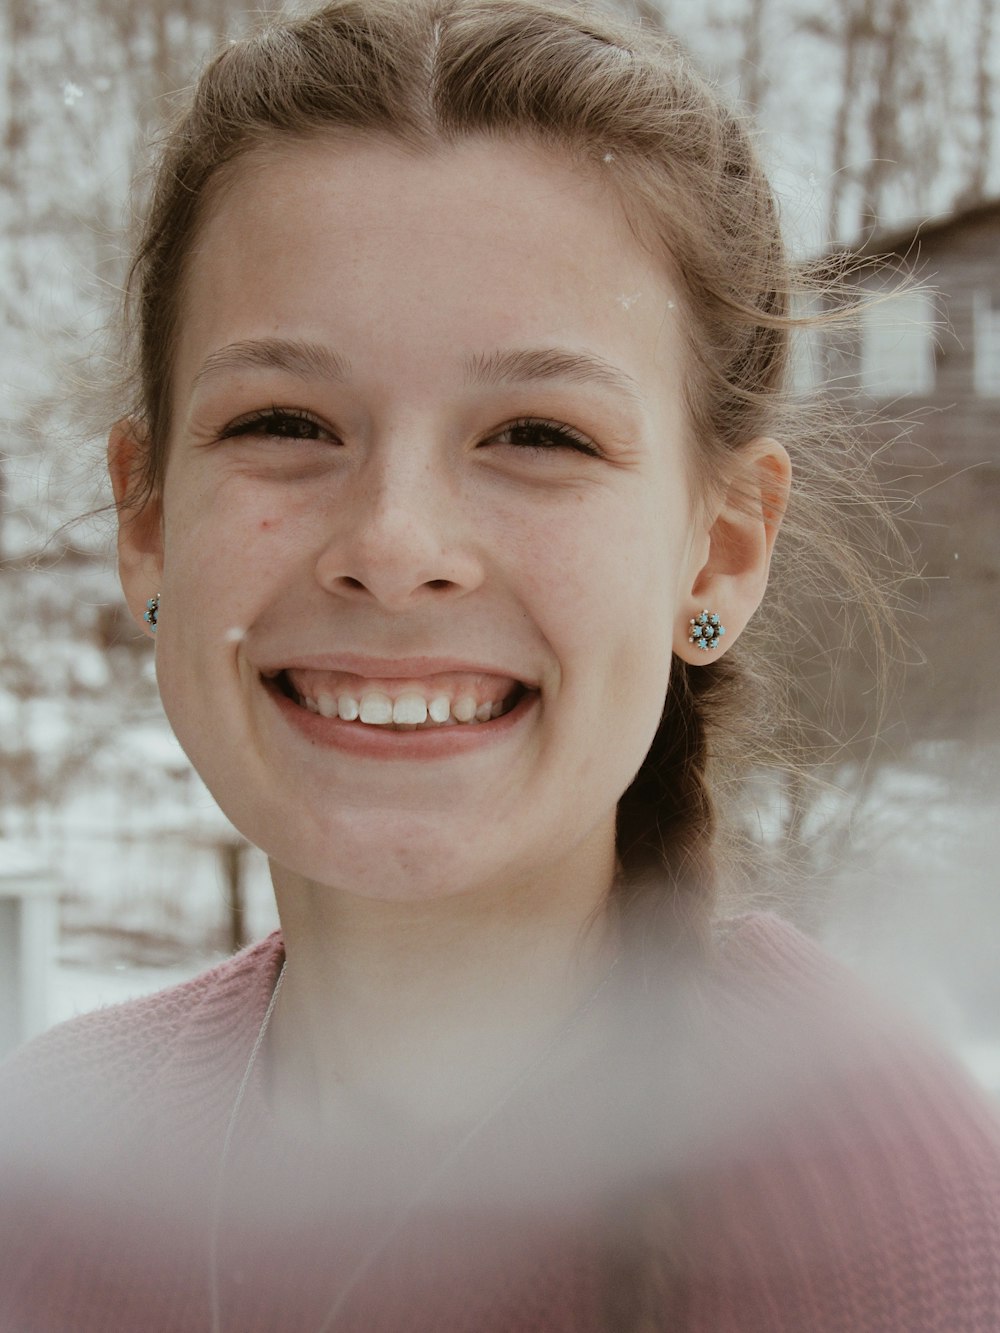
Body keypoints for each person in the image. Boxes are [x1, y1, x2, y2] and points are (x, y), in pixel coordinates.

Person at [2, 0, 998, 1328]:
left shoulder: (857, 1190)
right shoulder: (60, 1161)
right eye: (286, 420)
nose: (395, 544)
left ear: (721, 549)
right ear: (149, 520)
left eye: (538, 433)